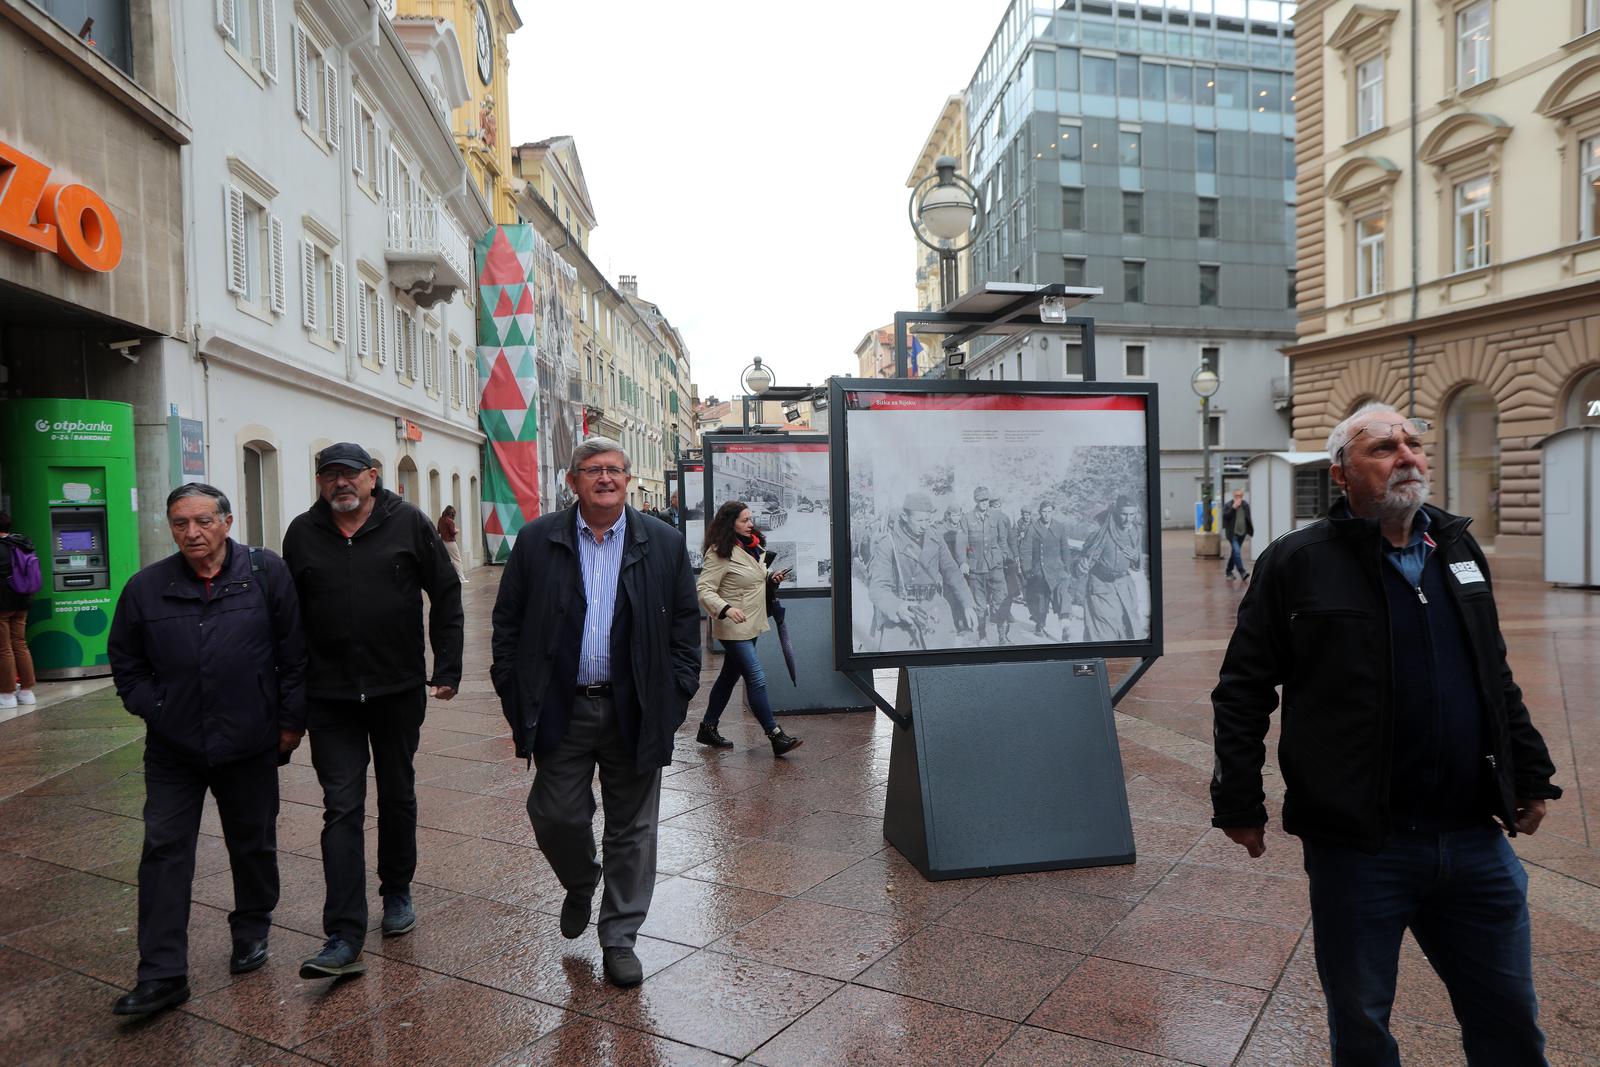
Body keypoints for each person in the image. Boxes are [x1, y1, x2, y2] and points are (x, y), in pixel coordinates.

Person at [1210, 404, 1563, 1066]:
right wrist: (1237, 800)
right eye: (1383, 447)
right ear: (1343, 474)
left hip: (1472, 838)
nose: (1406, 455)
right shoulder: (1298, 561)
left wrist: (1531, 770)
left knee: (1511, 1020)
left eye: (1414, 443)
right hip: (1360, 847)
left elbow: (1494, 675)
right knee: (1364, 1025)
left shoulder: (1457, 548)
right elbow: (1243, 689)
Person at [490, 437, 701, 989]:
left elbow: (684, 627)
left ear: (628, 479)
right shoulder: (539, 540)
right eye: (592, 470)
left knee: (632, 827)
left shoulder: (663, 542)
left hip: (637, 705)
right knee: (556, 814)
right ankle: (581, 881)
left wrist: (676, 693)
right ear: (573, 481)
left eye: (614, 469)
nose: (604, 478)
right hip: (562, 704)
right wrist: (515, 694)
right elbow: (507, 622)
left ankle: (620, 937)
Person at [106, 484, 306, 1015]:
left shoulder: (265, 573)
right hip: (175, 747)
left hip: (249, 739)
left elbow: (294, 653)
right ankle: (162, 973)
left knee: (252, 842)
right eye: (179, 523)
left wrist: (288, 724)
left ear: (227, 521)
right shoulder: (146, 588)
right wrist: (158, 707)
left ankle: (251, 928)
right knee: (165, 849)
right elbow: (125, 663)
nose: (191, 533)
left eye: (201, 521)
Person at [282, 443, 463, 981]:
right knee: (341, 806)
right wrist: (287, 693)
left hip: (396, 688)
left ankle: (397, 889)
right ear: (319, 482)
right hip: (329, 695)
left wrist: (447, 667)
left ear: (373, 477)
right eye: (329, 475)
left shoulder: (407, 522)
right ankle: (342, 934)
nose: (340, 483)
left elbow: (446, 592)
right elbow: (287, 616)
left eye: (350, 475)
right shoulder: (301, 532)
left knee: (397, 791)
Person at [694, 501, 803, 756]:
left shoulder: (752, 546)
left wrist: (770, 577)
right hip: (733, 625)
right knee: (756, 677)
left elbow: (753, 575)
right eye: (744, 520)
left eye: (750, 519)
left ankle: (707, 727)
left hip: (751, 622)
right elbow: (704, 589)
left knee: (728, 677)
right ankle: (775, 736)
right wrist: (726, 608)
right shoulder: (719, 551)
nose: (750, 524)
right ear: (729, 523)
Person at [867, 492, 974, 652]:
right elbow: (877, 588)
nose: (924, 525)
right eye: (919, 520)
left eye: (927, 520)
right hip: (901, 614)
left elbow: (952, 571)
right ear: (904, 516)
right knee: (892, 671)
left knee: (939, 669)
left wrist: (967, 603)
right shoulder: (888, 544)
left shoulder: (935, 538)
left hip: (934, 611)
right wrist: (896, 606)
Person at [1078, 494, 1144, 641]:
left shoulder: (1135, 532)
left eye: (1132, 514)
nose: (1128, 519)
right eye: (1124, 514)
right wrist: (1080, 564)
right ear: (1116, 512)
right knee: (1104, 634)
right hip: (1102, 589)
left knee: (1128, 630)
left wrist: (1136, 557)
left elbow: (1136, 563)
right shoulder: (1102, 533)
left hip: (1124, 588)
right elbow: (1082, 558)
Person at [955, 486, 1015, 642]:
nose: (984, 503)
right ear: (976, 500)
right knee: (980, 605)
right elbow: (961, 543)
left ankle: (1003, 638)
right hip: (976, 568)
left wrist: (1003, 555)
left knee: (1001, 599)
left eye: (986, 500)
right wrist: (963, 561)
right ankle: (982, 636)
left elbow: (1003, 540)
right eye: (981, 500)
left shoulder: (997, 517)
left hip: (995, 567)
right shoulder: (966, 518)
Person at [0, 511, 38, 710]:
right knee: (20, 644)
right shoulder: (21, 543)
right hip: (22, 600)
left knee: (3, 648)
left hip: (3, 603)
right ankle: (27, 692)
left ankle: (7, 695)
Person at [1019, 500, 1073, 639]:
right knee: (1041, 599)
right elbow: (1025, 550)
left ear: (1052, 512)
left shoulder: (1059, 527)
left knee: (1063, 595)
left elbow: (1065, 549)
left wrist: (1067, 567)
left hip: (1058, 569)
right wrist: (1026, 568)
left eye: (1049, 512)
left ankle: (1065, 626)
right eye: (1044, 512)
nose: (1047, 515)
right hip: (1040, 570)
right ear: (1040, 512)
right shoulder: (1033, 528)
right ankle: (1040, 624)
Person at [1221, 488, 1253, 581]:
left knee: (1235, 552)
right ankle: (1242, 572)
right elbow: (1225, 516)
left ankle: (1228, 571)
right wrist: (1233, 508)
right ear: (1233, 496)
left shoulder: (1245, 505)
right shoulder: (1228, 505)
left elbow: (1248, 518)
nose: (1238, 498)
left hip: (1242, 533)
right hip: (1232, 534)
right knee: (1237, 552)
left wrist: (1248, 530)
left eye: (1240, 496)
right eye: (1236, 496)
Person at [437, 504, 468, 585]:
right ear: (451, 513)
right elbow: (453, 533)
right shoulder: (450, 521)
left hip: (443, 541)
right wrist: (457, 530)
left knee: (447, 560)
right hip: (450, 542)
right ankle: (461, 578)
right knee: (457, 559)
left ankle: (447, 578)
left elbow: (438, 531)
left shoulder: (441, 519)